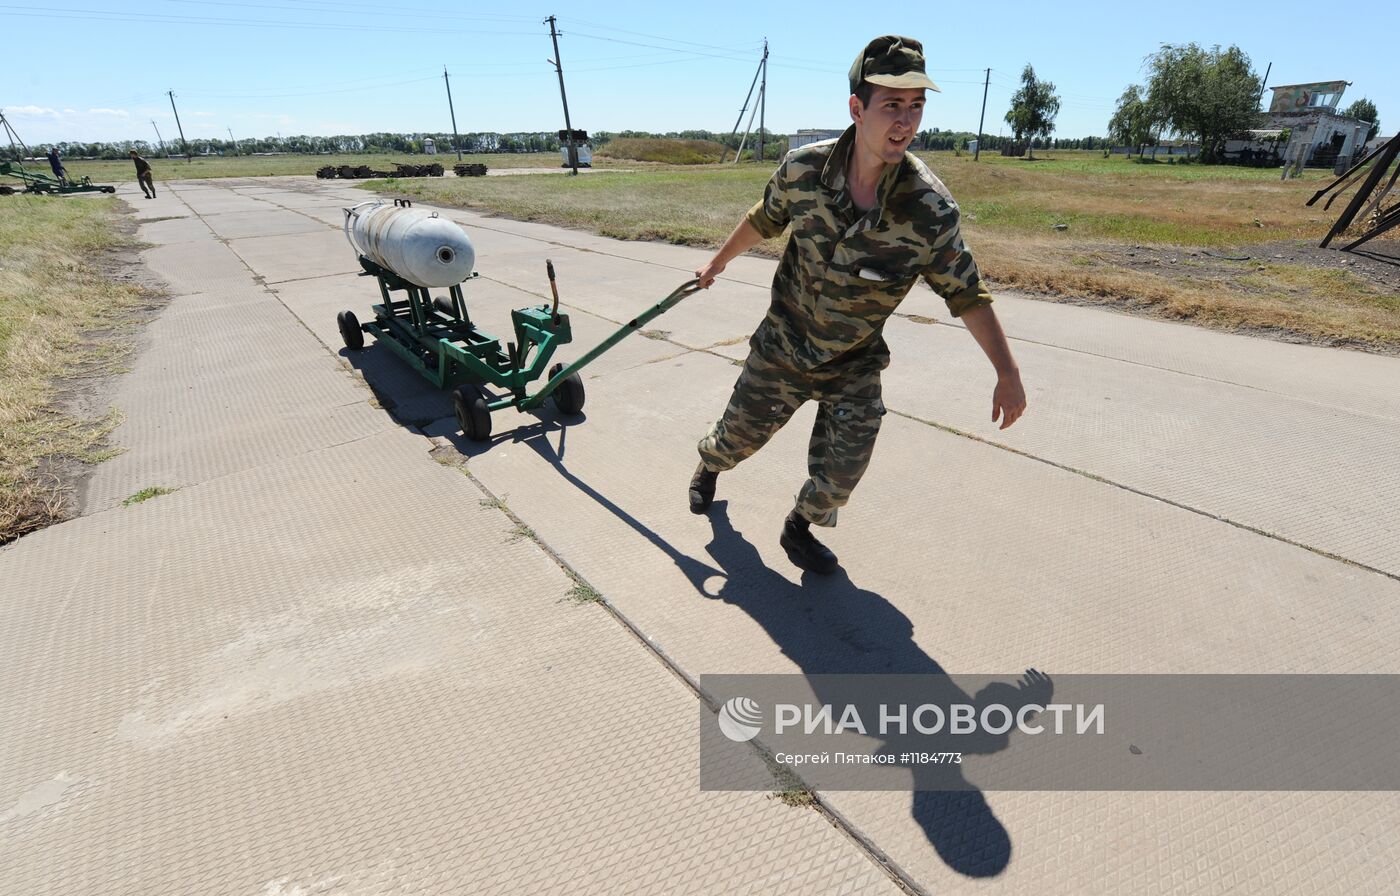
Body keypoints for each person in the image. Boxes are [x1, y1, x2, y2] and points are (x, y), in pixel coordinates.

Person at [689, 35, 1027, 575]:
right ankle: (709, 467)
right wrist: (718, 262)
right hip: (784, 347)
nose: (906, 121)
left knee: (845, 467)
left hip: (853, 361)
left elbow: (966, 292)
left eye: (916, 106)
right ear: (857, 109)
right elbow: (764, 217)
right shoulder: (803, 171)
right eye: (892, 105)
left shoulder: (929, 210)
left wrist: (1006, 372)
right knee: (734, 440)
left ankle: (799, 527)